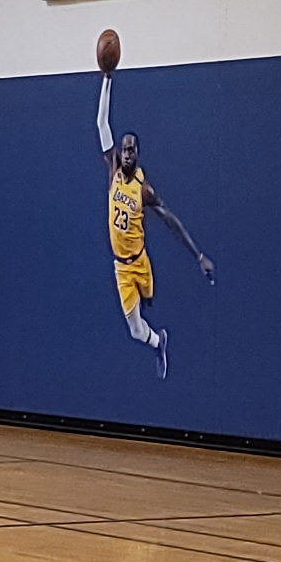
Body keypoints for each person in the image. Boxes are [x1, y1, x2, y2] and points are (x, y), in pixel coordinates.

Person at [98, 68, 211, 377]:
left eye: (131, 149)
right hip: (122, 266)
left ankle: (147, 296)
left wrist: (198, 254)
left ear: (137, 154)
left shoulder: (143, 190)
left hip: (140, 261)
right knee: (136, 330)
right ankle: (158, 340)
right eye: (123, 149)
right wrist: (107, 78)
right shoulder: (113, 172)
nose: (126, 154)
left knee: (148, 297)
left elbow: (170, 220)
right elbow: (101, 123)